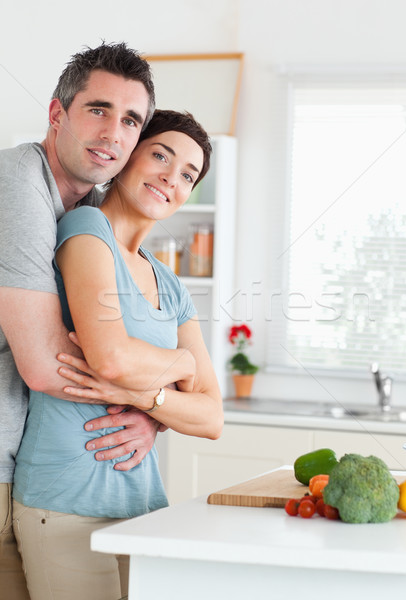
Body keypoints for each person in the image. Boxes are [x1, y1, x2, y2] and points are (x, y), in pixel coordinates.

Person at [12, 109, 223, 600]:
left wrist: (152, 405)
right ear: (128, 158)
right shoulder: (86, 229)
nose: (172, 178)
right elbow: (110, 360)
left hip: (143, 504)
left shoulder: (170, 285)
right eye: (160, 156)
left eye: (188, 175)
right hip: (65, 499)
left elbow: (211, 416)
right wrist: (182, 367)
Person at [0, 42, 163, 600]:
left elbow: (126, 339)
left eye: (130, 120)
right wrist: (156, 397)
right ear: (56, 114)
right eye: (98, 109)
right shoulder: (18, 184)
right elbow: (47, 367)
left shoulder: (90, 212)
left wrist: (156, 416)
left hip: (31, 469)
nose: (112, 133)